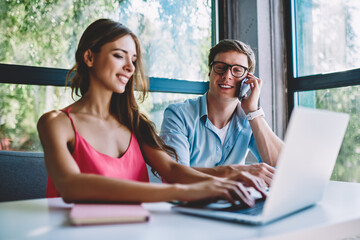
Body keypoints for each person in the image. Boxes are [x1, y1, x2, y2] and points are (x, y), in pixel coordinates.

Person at [37, 19, 267, 206]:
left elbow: (172, 169)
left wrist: (228, 178)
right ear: (89, 57)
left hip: (137, 229)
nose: (130, 67)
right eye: (119, 55)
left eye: (134, 60)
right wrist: (189, 189)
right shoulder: (56, 123)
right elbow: (71, 185)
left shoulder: (135, 124)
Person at [160, 39, 284, 186]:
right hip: (189, 204)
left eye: (237, 70)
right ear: (209, 71)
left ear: (248, 79)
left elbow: (283, 166)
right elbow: (175, 175)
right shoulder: (178, 115)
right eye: (220, 67)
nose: (227, 76)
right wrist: (234, 172)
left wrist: (253, 112)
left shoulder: (248, 119)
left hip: (234, 204)